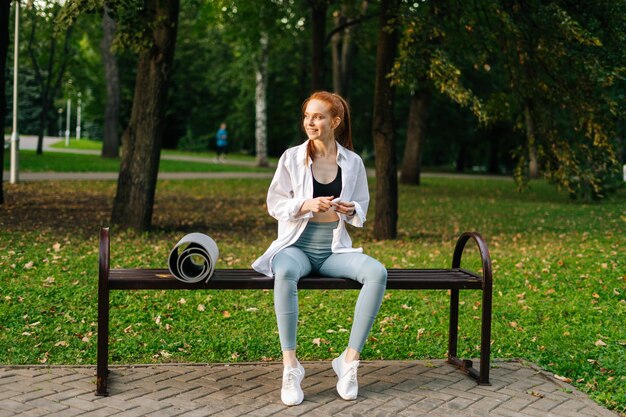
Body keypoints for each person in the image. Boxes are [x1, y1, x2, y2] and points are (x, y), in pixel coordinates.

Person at [252, 91, 387, 406]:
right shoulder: (291, 157)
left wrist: (349, 209)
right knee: (283, 271)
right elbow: (275, 204)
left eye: (318, 116)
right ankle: (291, 366)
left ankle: (349, 361)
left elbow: (362, 210)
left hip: (333, 250)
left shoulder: (352, 163)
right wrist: (306, 204)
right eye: (307, 116)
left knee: (376, 272)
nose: (310, 122)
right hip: (296, 247)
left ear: (335, 121)